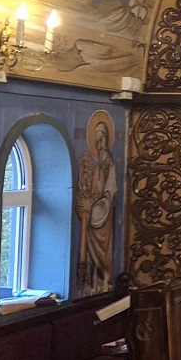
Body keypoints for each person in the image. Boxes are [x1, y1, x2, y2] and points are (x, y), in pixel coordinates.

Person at [75, 114, 117, 297]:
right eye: (97, 140)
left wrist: (93, 208)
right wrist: (84, 205)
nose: (100, 145)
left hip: (103, 225)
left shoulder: (110, 167)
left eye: (102, 140)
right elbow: (85, 195)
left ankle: (101, 283)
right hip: (92, 224)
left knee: (102, 265)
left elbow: (109, 195)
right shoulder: (95, 168)